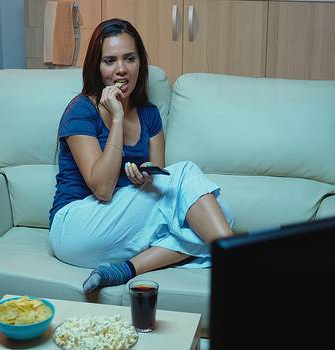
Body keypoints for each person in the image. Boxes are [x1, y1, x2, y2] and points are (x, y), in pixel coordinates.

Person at [49, 18, 235, 294]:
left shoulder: (149, 115)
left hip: (122, 227)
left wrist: (145, 177)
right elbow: (102, 188)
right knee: (186, 177)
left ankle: (125, 270)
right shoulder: (81, 110)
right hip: (75, 227)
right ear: (96, 68)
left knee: (220, 214)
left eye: (129, 59)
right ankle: (240, 267)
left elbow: (159, 182)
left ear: (140, 64)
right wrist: (117, 117)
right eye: (109, 61)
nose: (121, 70)